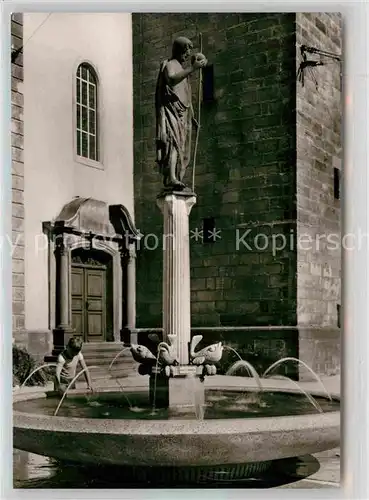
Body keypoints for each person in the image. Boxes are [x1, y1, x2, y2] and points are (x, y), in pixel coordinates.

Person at [155, 36, 207, 190]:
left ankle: (177, 176)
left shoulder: (182, 68)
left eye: (189, 51)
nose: (187, 54)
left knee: (181, 147)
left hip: (183, 115)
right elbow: (171, 80)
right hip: (171, 112)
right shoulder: (170, 65)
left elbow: (185, 96)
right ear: (177, 50)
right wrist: (192, 68)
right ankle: (171, 177)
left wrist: (191, 116)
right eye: (185, 51)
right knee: (173, 144)